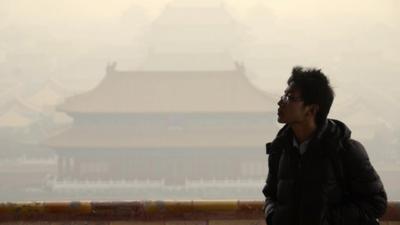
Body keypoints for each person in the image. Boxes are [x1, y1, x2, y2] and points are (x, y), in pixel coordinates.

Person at [262, 66, 387, 225]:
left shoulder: (346, 150)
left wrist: (326, 220)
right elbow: (270, 194)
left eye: (290, 97)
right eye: (283, 95)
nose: (280, 102)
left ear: (311, 109)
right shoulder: (280, 148)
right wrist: (275, 216)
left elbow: (376, 203)